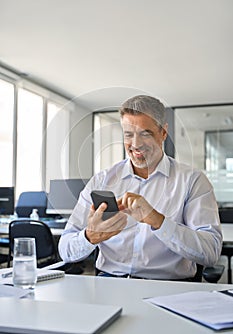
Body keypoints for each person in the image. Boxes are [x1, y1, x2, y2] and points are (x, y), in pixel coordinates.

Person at [58, 95, 222, 280]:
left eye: (145, 133)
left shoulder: (192, 181)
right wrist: (90, 236)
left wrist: (158, 221)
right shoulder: (102, 181)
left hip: (168, 287)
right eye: (128, 134)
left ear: (163, 133)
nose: (136, 144)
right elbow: (65, 249)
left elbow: (211, 252)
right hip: (109, 283)